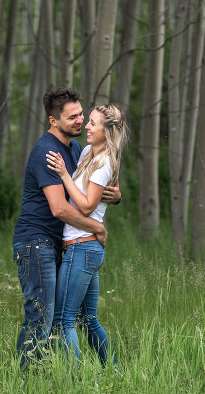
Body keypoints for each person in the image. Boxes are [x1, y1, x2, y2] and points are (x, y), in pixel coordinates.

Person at [12, 88, 121, 368]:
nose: (81, 121)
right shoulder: (47, 152)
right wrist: (98, 228)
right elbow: (60, 208)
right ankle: (26, 379)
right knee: (43, 317)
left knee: (77, 319)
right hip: (37, 242)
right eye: (73, 117)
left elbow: (90, 190)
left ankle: (106, 372)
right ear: (53, 120)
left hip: (64, 242)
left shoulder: (77, 150)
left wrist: (116, 196)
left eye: (82, 115)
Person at [46, 104, 128, 367]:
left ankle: (75, 380)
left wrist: (62, 175)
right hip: (86, 248)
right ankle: (113, 370)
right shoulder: (86, 153)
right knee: (88, 319)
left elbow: (87, 206)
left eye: (93, 123)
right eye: (88, 121)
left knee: (64, 320)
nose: (87, 126)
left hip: (82, 248)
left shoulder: (104, 162)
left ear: (108, 131)